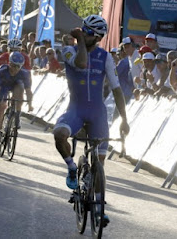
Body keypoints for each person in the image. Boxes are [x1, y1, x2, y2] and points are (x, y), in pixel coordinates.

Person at [53, 14, 130, 225]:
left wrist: (124, 119)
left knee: (100, 164)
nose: (82, 33)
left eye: (87, 32)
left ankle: (99, 207)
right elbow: (81, 62)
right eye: (82, 29)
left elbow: (116, 89)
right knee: (59, 135)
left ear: (96, 37)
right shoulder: (69, 49)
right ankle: (71, 167)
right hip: (75, 109)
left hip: (98, 112)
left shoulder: (105, 57)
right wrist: (79, 40)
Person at [0, 52, 33, 150]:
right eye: (13, 66)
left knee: (20, 88)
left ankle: (17, 114)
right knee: (1, 109)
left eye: (18, 66)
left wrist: (30, 104)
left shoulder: (24, 73)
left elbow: (28, 91)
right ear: (9, 63)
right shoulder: (2, 70)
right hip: (4, 86)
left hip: (16, 86)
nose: (15, 69)